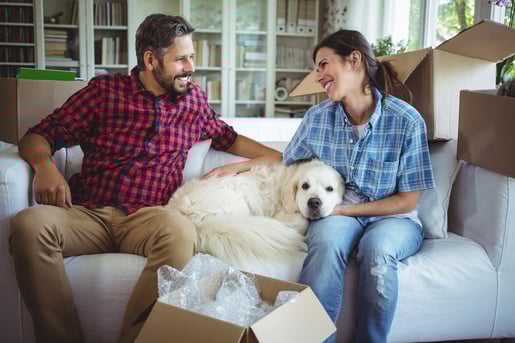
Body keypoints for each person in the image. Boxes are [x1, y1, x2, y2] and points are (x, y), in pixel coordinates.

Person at [9, 14, 280, 343]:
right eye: (181, 59)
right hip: (87, 212)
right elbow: (37, 136)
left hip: (148, 218)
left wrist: (274, 156)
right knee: (28, 225)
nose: (190, 66)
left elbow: (230, 139)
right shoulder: (104, 93)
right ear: (151, 60)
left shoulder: (193, 103)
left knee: (181, 231)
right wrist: (45, 167)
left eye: (192, 57)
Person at [282, 29, 435, 343]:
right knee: (324, 244)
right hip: (338, 213)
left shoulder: (406, 121)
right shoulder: (317, 118)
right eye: (317, 68)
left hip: (393, 218)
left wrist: (346, 209)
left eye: (324, 64)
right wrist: (243, 165)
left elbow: (407, 201)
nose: (318, 75)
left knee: (377, 251)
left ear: (354, 60)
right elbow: (287, 166)